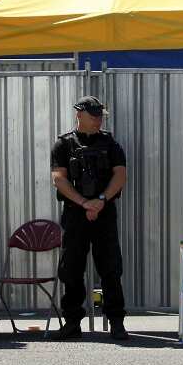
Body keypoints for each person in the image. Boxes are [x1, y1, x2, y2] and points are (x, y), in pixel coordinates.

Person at [50, 96, 129, 341]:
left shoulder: (110, 143)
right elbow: (59, 179)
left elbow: (120, 175)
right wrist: (84, 202)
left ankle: (116, 322)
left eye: (99, 116)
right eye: (93, 115)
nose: (97, 120)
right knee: (71, 268)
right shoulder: (63, 145)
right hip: (76, 213)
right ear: (79, 115)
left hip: (104, 213)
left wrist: (101, 200)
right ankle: (72, 322)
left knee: (111, 268)